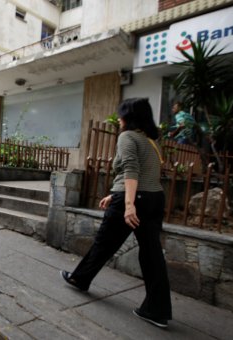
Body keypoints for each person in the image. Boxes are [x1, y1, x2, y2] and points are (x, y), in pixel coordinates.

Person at [59, 98, 172, 328]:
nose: (118, 119)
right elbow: (146, 174)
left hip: (133, 199)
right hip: (154, 199)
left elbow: (131, 169)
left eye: (121, 115)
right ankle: (157, 311)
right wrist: (116, 194)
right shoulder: (150, 141)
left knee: (104, 243)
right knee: (152, 255)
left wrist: (128, 204)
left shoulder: (127, 137)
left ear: (129, 118)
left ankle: (79, 279)